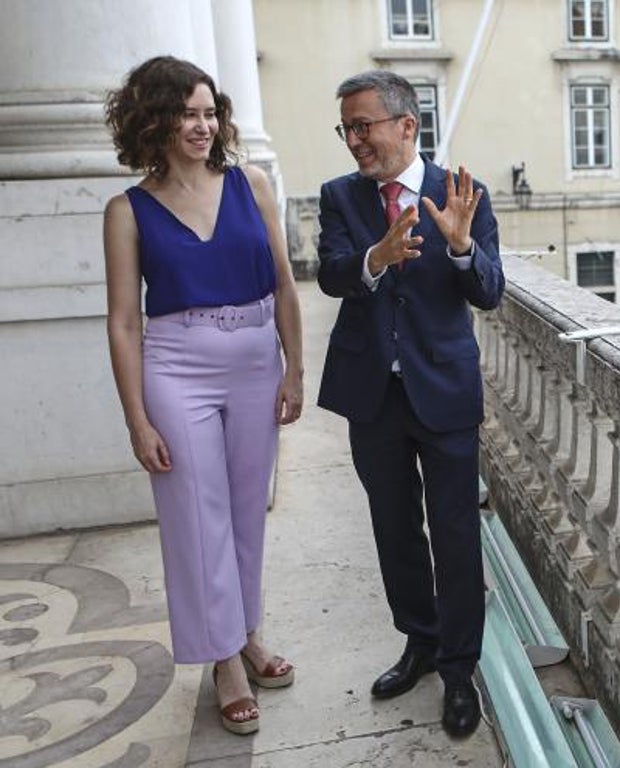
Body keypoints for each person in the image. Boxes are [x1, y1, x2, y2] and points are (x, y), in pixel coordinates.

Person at [102, 56, 304, 736]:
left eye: (209, 112)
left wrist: (295, 370)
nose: (202, 125)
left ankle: (246, 632)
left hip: (255, 361)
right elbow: (124, 322)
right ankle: (224, 661)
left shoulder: (252, 184)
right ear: (153, 120)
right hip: (176, 369)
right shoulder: (127, 211)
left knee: (246, 510)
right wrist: (136, 418)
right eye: (187, 113)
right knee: (196, 514)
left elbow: (284, 283)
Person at [316, 70, 505, 739]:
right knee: (394, 529)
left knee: (455, 537)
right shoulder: (339, 196)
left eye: (363, 125)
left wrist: (460, 246)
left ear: (406, 124)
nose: (354, 140)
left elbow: (489, 292)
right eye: (346, 129)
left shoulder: (462, 195)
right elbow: (331, 273)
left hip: (444, 393)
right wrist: (376, 256)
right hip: (372, 394)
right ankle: (420, 641)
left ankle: (459, 670)